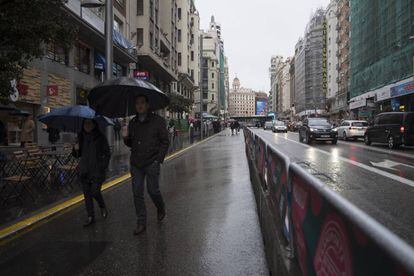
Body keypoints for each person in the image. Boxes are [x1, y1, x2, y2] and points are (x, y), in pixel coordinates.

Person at [123, 95, 169, 236]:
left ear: (148, 105)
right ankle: (141, 222)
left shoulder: (158, 121)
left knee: (153, 190)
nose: (140, 105)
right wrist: (125, 137)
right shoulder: (133, 122)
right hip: (136, 163)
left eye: (142, 103)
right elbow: (130, 143)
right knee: (137, 193)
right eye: (137, 103)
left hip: (152, 161)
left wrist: (158, 160)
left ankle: (160, 207)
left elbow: (165, 142)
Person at [73, 119, 111, 227]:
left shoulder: (100, 137)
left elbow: (107, 153)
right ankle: (90, 216)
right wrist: (75, 149)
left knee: (95, 192)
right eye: (85, 123)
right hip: (84, 170)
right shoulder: (80, 137)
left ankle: (102, 205)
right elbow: (76, 155)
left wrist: (102, 166)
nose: (87, 125)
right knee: (87, 195)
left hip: (97, 171)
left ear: (94, 124)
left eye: (90, 123)